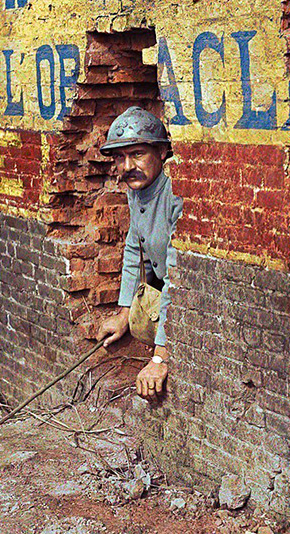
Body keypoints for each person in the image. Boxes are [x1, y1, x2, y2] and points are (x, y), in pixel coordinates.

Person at [96, 105, 183, 400]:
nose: (127, 165)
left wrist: (160, 356)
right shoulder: (137, 190)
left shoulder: (175, 193)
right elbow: (135, 249)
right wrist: (124, 314)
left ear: (161, 153)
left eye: (138, 154)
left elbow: (177, 277)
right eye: (120, 157)